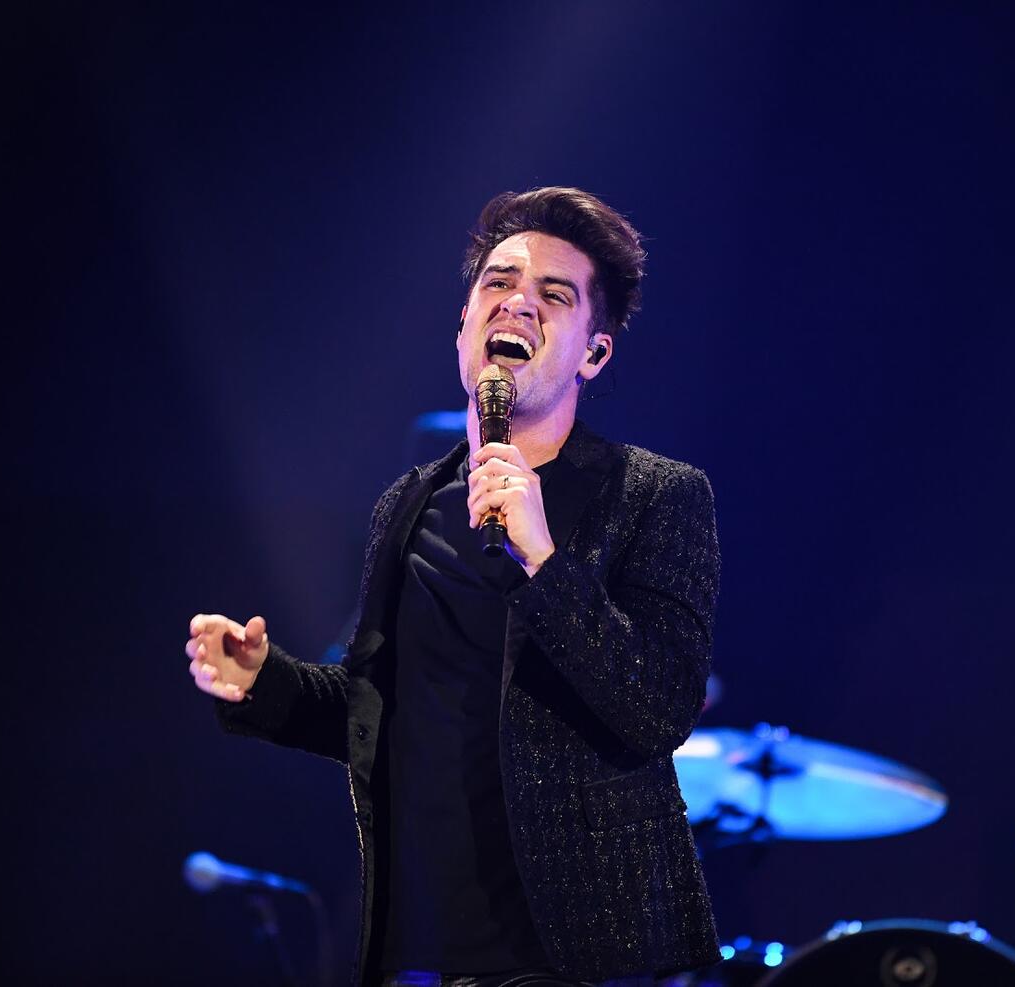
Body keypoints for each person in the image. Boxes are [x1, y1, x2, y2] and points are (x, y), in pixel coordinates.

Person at [185, 188, 721, 986]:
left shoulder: (655, 496)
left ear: (594, 353)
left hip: (584, 958)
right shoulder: (407, 505)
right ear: (464, 326)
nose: (519, 302)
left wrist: (546, 562)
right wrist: (265, 682)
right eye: (499, 282)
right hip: (426, 950)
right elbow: (378, 711)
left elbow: (660, 709)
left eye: (554, 295)